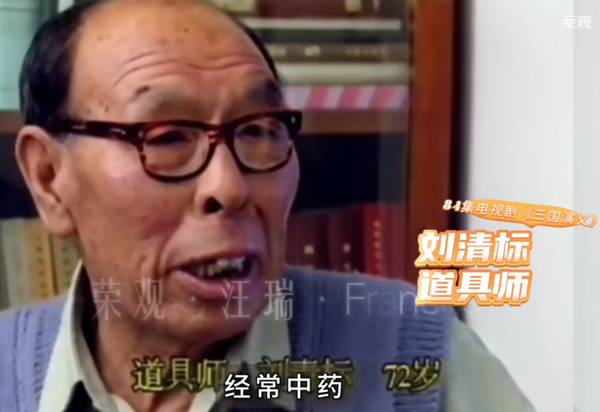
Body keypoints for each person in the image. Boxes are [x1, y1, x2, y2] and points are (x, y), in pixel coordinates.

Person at [0, 0, 536, 411]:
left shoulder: (413, 358)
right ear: (49, 179)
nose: (230, 187)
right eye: (166, 138)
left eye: (258, 130)